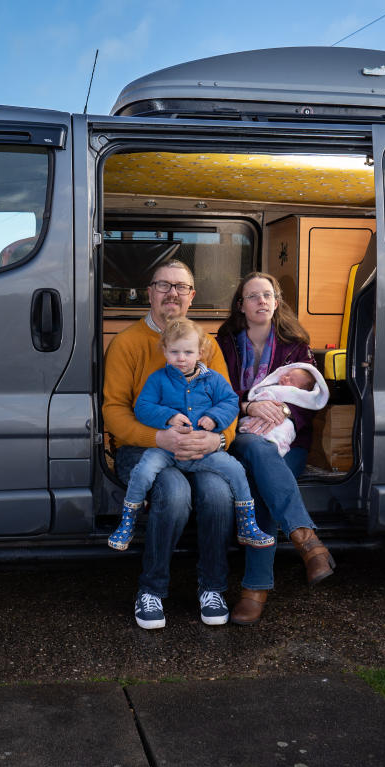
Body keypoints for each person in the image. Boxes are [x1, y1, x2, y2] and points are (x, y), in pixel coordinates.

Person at [103, 260, 238, 630]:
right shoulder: (127, 343)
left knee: (217, 493)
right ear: (150, 293)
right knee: (174, 492)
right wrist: (157, 437)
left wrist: (218, 438)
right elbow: (113, 410)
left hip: (200, 446)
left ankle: (212, 587)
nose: (172, 293)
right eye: (164, 285)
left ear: (191, 297)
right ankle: (152, 591)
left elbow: (229, 403)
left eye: (181, 287)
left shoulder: (206, 345)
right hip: (144, 448)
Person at [216, 272, 335, 626]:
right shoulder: (223, 343)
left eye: (267, 295)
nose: (261, 301)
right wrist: (248, 407)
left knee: (260, 487)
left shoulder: (296, 345)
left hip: (289, 442)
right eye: (253, 296)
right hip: (240, 433)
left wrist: (282, 409)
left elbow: (309, 396)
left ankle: (256, 588)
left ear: (277, 301)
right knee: (254, 448)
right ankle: (307, 541)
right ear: (241, 305)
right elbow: (215, 392)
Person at [108, 318, 276, 552]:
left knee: (236, 470)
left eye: (188, 352)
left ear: (200, 353)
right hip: (166, 450)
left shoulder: (213, 380)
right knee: (143, 470)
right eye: (174, 352)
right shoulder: (157, 379)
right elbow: (143, 407)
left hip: (202, 452)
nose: (181, 358)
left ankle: (247, 525)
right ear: (165, 351)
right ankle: (128, 522)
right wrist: (168, 417)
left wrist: (215, 417)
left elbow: (230, 402)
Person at [240, 362, 329, 456]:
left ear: (300, 390)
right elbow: (263, 393)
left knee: (285, 428)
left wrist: (283, 410)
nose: (285, 378)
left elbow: (309, 404)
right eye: (287, 375)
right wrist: (249, 405)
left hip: (286, 426)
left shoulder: (300, 395)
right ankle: (250, 430)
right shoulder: (273, 386)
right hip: (252, 420)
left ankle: (278, 443)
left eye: (291, 380)